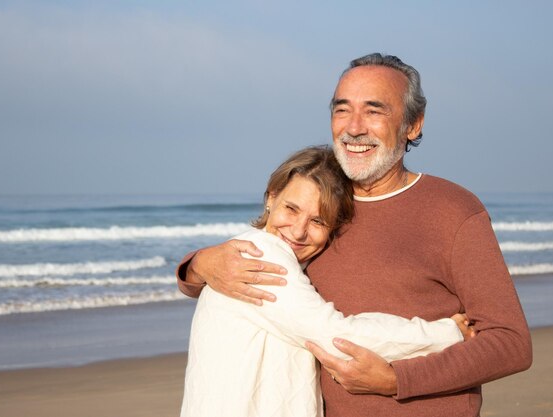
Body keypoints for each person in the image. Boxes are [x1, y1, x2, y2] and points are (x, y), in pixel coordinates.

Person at [176, 53, 532, 417]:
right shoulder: (321, 200)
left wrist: (398, 379)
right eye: (342, 110)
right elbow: (260, 270)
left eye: (374, 111)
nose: (354, 127)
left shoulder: (453, 209)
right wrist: (199, 266)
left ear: (413, 124)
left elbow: (510, 343)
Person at [181, 146, 472, 417]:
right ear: (271, 198)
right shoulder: (261, 255)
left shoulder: (254, 250)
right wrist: (445, 334)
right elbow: (336, 336)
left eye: (318, 221)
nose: (297, 231)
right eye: (291, 209)